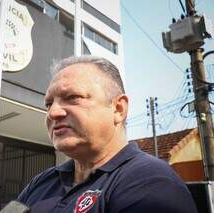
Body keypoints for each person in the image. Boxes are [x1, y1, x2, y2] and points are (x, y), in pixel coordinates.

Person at [17, 55, 197, 213]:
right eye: (48, 104)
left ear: (118, 109)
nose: (53, 113)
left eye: (72, 97)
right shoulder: (41, 182)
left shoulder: (152, 182)